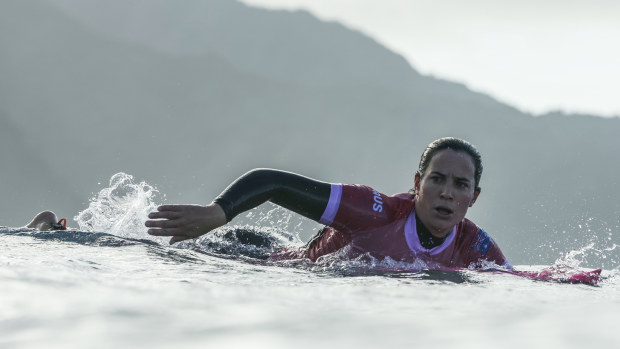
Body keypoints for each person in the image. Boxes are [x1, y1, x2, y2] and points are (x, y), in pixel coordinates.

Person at [146, 137, 511, 269]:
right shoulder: (374, 212)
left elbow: (526, 281)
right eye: (437, 179)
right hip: (255, 255)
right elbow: (272, 182)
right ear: (417, 184)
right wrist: (216, 213)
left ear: (473, 198)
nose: (447, 192)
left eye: (460, 185)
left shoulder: (474, 246)